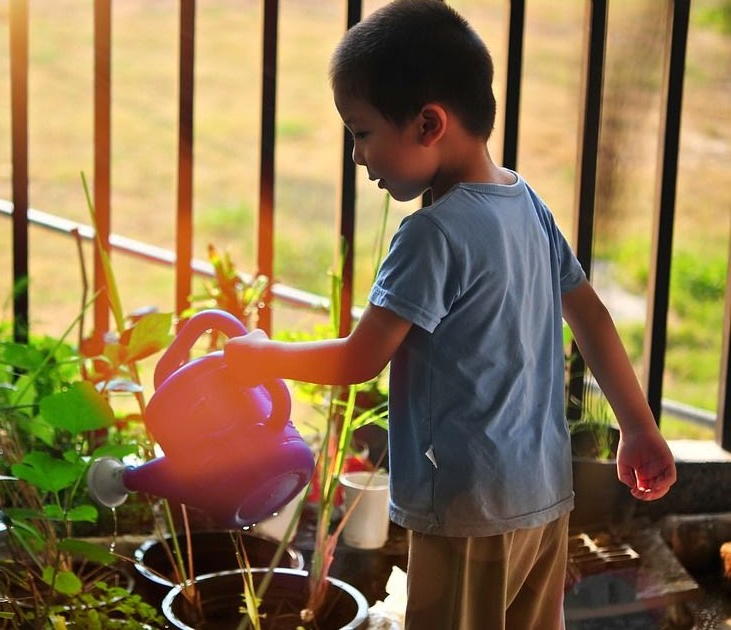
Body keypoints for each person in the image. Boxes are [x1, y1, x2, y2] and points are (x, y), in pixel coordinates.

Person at [223, 1, 677, 628]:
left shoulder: (432, 235)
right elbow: (593, 319)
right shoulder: (527, 205)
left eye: (361, 132)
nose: (358, 157)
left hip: (467, 511)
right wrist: (638, 426)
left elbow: (360, 358)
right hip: (544, 499)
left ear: (428, 123)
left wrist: (260, 356)